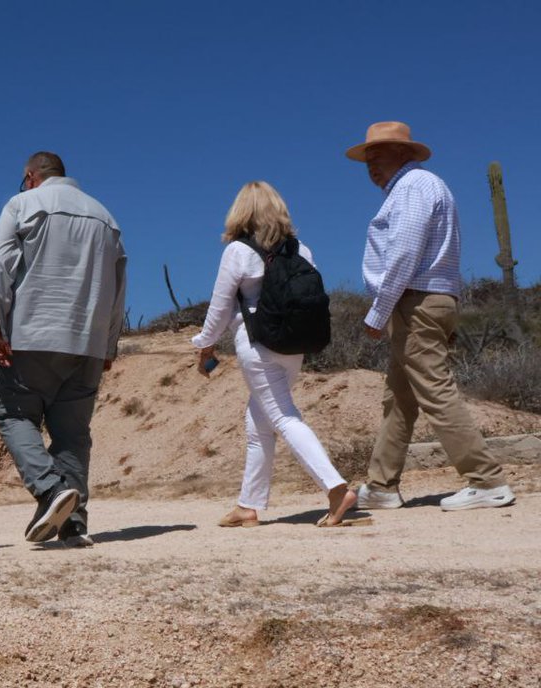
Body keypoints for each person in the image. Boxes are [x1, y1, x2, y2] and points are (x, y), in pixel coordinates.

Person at [346, 121, 515, 511]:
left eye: (379, 152)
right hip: (425, 300)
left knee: (434, 390)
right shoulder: (417, 187)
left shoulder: (413, 187)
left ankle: (487, 480)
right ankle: (382, 486)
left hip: (415, 301)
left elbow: (405, 252)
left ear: (404, 153)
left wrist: (379, 309)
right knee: (400, 397)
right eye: (367, 156)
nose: (370, 162)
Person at [193, 182, 357, 528]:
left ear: (241, 212)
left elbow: (220, 306)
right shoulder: (301, 251)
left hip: (258, 346)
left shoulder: (238, 251)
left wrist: (204, 345)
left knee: (283, 417)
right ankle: (248, 505)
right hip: (294, 347)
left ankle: (336, 489)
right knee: (258, 422)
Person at [0, 152, 127, 548]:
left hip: (34, 333)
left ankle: (49, 490)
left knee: (12, 412)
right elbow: (118, 287)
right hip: (88, 342)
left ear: (31, 176)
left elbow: (0, 265)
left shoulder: (22, 204)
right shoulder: (105, 217)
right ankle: (74, 523)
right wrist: (110, 341)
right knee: (72, 433)